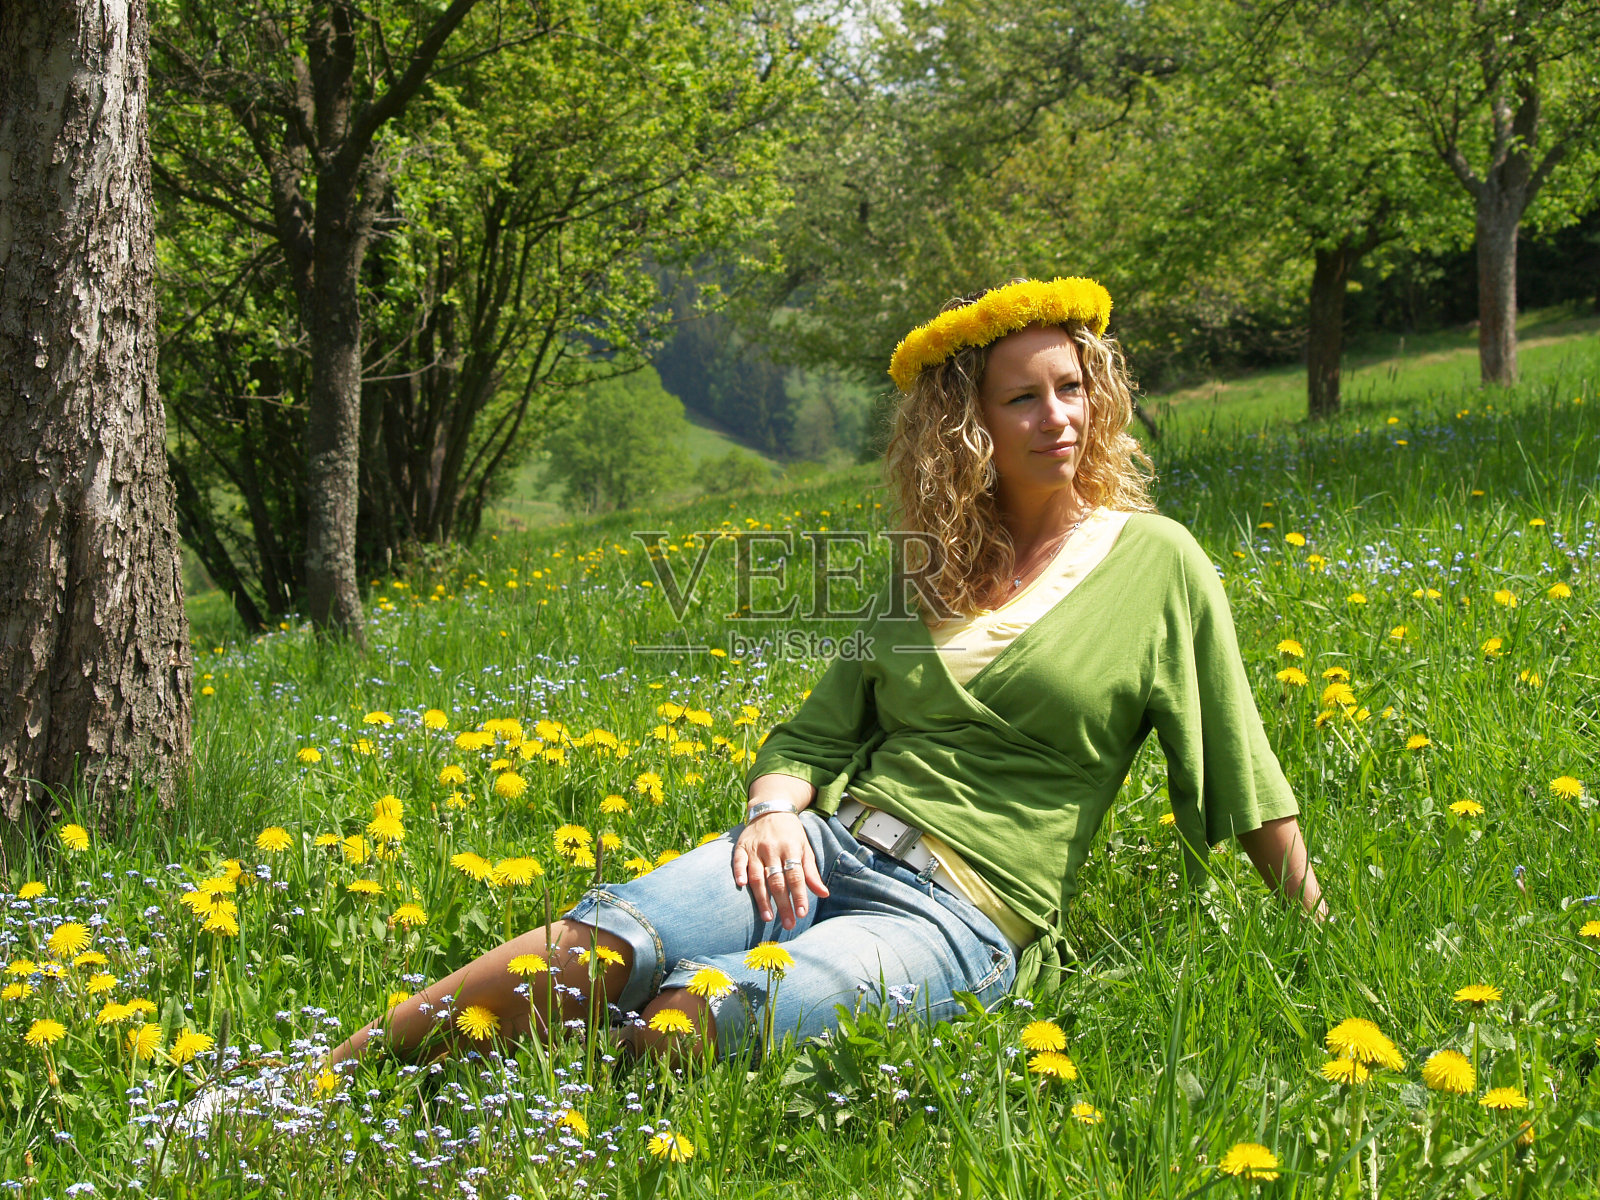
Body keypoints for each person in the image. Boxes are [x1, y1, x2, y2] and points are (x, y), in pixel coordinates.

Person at [324, 275, 1326, 1072]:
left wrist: (1316, 938)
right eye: (1023, 397)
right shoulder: (925, 568)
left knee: (697, 1011)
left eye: (1072, 389)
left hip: (957, 915)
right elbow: (812, 737)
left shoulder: (1158, 563)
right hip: (819, 852)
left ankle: (541, 1114)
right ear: (969, 425)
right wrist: (769, 814)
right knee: (600, 942)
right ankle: (336, 1077)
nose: (1056, 417)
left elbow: (1242, 769)